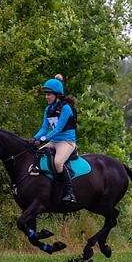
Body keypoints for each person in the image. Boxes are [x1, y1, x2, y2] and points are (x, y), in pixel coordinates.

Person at [30, 74, 78, 204]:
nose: (46, 97)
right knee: (36, 155)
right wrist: (34, 138)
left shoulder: (66, 108)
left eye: (49, 94)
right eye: (46, 94)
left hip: (66, 142)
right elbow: (44, 129)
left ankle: (70, 193)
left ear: (57, 95)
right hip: (54, 142)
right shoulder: (48, 109)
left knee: (58, 163)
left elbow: (58, 129)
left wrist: (43, 139)